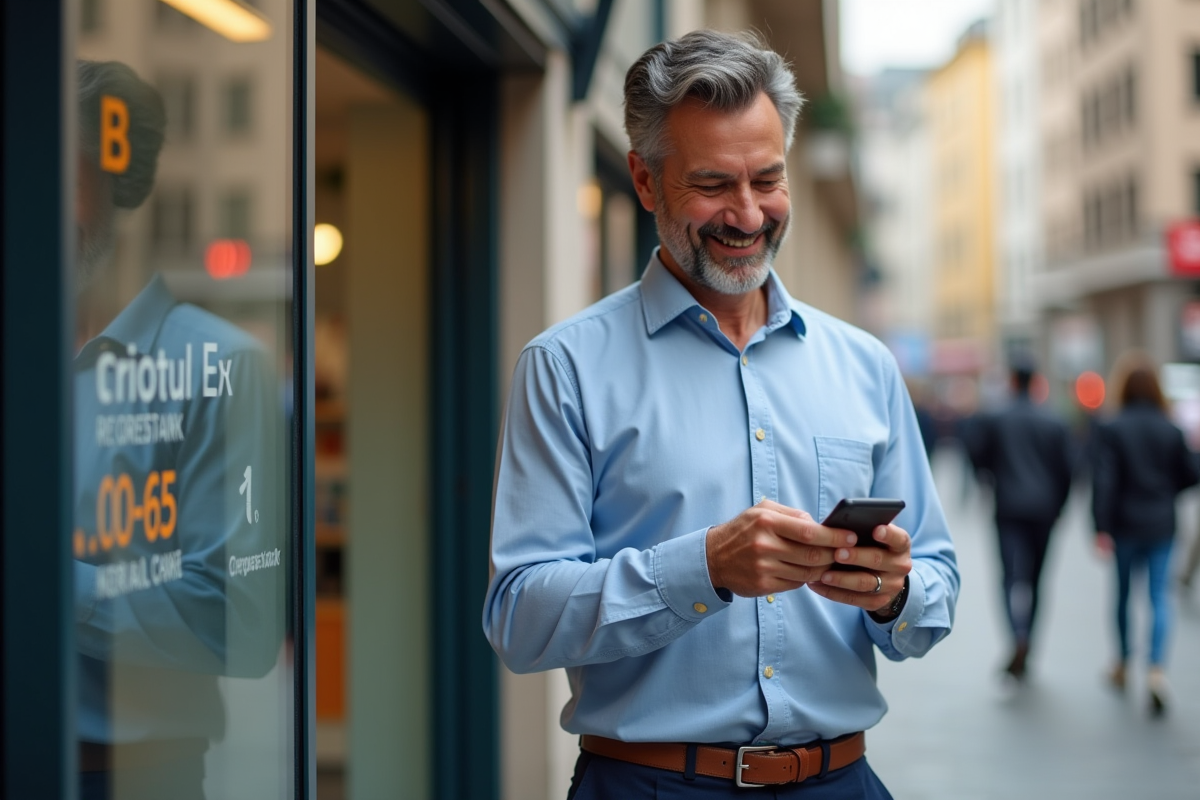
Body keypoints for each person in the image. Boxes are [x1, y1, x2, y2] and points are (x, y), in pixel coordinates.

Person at [483, 30, 959, 799]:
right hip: (647, 785)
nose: (747, 214)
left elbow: (936, 585)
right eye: (712, 184)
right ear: (643, 179)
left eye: (767, 179)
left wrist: (894, 592)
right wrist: (702, 569)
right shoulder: (564, 368)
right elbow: (521, 619)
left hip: (841, 781)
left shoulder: (865, 366)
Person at [73, 61, 285, 799]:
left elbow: (243, 621)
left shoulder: (220, 366)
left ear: (123, 191)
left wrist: (46, 587)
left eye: (63, 171)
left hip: (130, 777)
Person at [1092, 355, 1199, 716]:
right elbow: (1190, 474)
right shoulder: (1171, 429)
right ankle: (1156, 670)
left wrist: (1101, 526)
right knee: (1159, 597)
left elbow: (1104, 481)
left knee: (1123, 596)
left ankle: (1122, 663)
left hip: (1124, 525)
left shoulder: (1113, 427)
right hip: (1161, 524)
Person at [964, 358, 1074, 681]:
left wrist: (987, 478)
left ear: (1012, 381)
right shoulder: (1053, 421)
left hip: (1008, 507)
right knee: (1037, 581)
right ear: (1036, 381)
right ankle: (1030, 643)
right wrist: (1060, 507)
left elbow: (974, 451)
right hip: (1043, 510)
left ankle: (1017, 635)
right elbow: (1068, 470)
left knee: (1008, 578)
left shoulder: (996, 418)